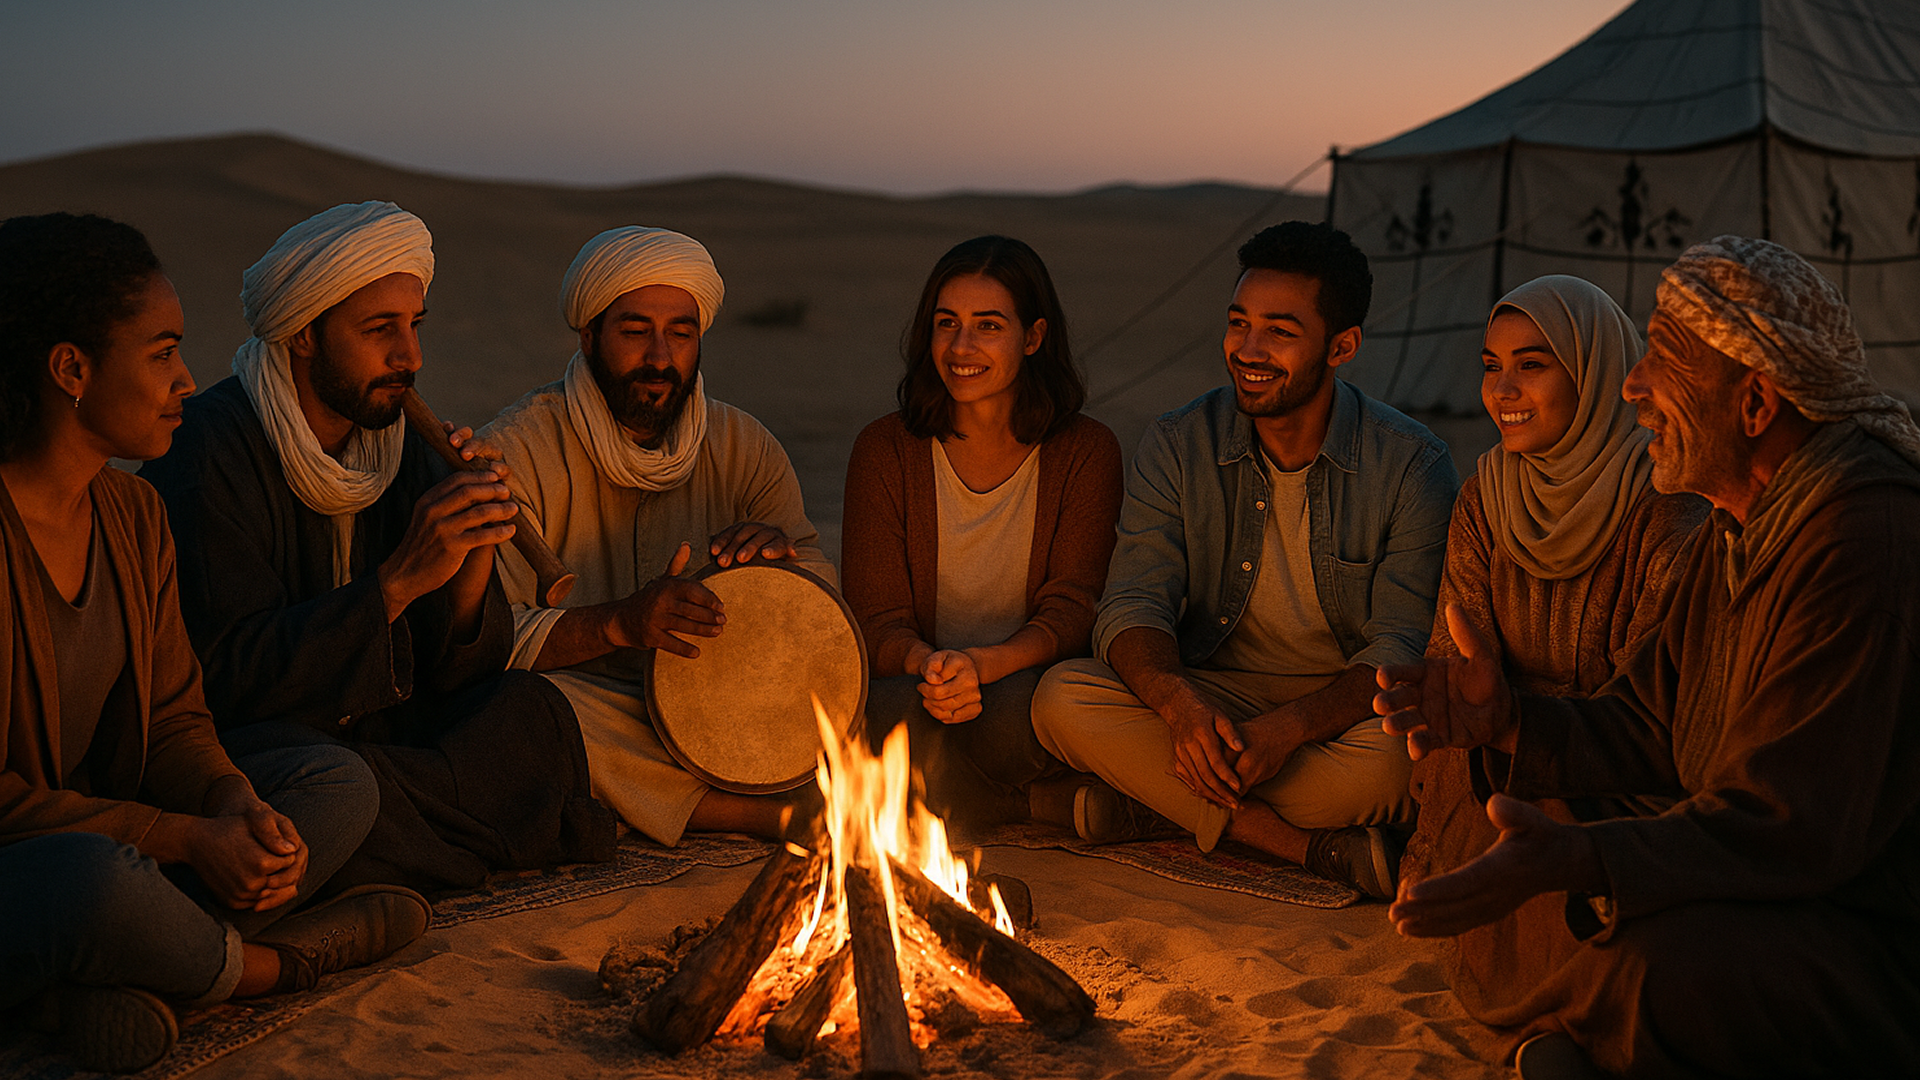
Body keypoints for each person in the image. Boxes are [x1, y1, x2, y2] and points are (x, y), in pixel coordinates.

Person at [1375, 237, 1920, 1079]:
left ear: (1756, 402)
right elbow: (1648, 719)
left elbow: (1788, 822)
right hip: (1760, 868)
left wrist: (1585, 860)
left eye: (1662, 361)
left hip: (1866, 922)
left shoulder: (1859, 537)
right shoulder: (1741, 525)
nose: (1633, 385)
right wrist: (1511, 719)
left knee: (1660, 965)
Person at [0, 213, 424, 1073]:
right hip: (41, 868)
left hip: (122, 839)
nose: (186, 382)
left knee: (334, 782)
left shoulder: (132, 514)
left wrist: (232, 804)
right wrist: (186, 841)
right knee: (95, 886)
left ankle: (112, 983)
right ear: (71, 369)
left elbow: (172, 719)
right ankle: (265, 969)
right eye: (160, 355)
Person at [141, 202, 615, 897]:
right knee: (337, 788)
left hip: (380, 737)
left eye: (414, 326)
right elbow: (229, 679)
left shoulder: (398, 441)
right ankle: (452, 851)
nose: (410, 357)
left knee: (530, 711)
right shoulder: (206, 454)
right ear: (303, 334)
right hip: (270, 745)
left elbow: (457, 676)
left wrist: (471, 553)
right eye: (379, 330)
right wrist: (393, 583)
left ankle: (391, 859)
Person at [1031, 221, 1459, 898]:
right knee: (1061, 697)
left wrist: (1287, 731)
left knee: (1397, 762)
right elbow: (1132, 603)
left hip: (1336, 712)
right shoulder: (1178, 443)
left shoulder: (1412, 464)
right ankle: (1287, 842)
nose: (1248, 350)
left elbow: (1400, 648)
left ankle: (1154, 806)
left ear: (1341, 346)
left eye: (1280, 331)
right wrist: (1179, 709)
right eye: (1239, 323)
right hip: (1213, 695)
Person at [1397, 275, 1706, 1053]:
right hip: (1496, 759)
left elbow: (1650, 702)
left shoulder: (1667, 505)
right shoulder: (1485, 498)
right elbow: (1451, 653)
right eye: (1489, 364)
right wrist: (1467, 705)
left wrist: (1524, 718)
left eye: (1531, 365)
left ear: (1595, 372)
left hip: (1620, 770)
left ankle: (1570, 1026)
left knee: (1567, 854)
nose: (1502, 389)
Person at [480, 225, 835, 846]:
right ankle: (749, 812)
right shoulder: (517, 452)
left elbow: (826, 610)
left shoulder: (745, 447)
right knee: (515, 710)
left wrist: (782, 571)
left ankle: (632, 802)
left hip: (719, 705)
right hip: (592, 704)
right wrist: (621, 622)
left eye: (681, 332)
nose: (661, 358)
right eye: (635, 330)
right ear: (589, 335)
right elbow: (488, 640)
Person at [842, 235, 1122, 829]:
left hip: (1020, 685)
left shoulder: (1085, 451)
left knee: (1022, 716)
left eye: (988, 326)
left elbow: (1074, 610)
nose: (961, 347)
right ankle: (1026, 805)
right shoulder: (886, 449)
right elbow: (875, 619)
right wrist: (933, 666)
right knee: (888, 719)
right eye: (947, 323)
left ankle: (961, 800)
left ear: (1034, 337)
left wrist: (984, 666)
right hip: (918, 683)